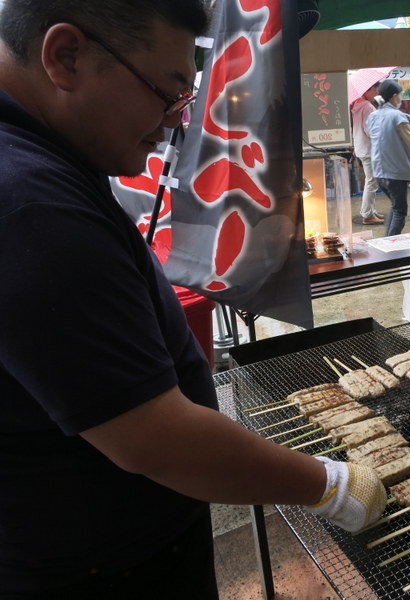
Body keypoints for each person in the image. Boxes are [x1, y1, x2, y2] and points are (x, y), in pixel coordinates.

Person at [0, 2, 386, 598]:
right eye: (168, 92)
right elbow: (154, 437)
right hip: (101, 570)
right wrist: (327, 485)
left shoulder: (40, 160)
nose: (174, 123)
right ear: (65, 57)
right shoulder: (30, 204)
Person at [367, 79, 410, 236]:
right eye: (400, 95)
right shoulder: (398, 117)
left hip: (379, 173)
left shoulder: (373, 116)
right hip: (396, 173)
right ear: (394, 96)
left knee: (395, 207)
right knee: (400, 212)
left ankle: (386, 240)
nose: (400, 99)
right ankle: (391, 243)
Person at [351, 82, 384, 225]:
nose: (376, 92)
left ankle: (371, 211)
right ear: (366, 90)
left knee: (371, 181)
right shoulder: (368, 107)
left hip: (361, 147)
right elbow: (370, 131)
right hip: (370, 149)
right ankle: (367, 215)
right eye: (374, 89)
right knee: (371, 182)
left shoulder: (357, 106)